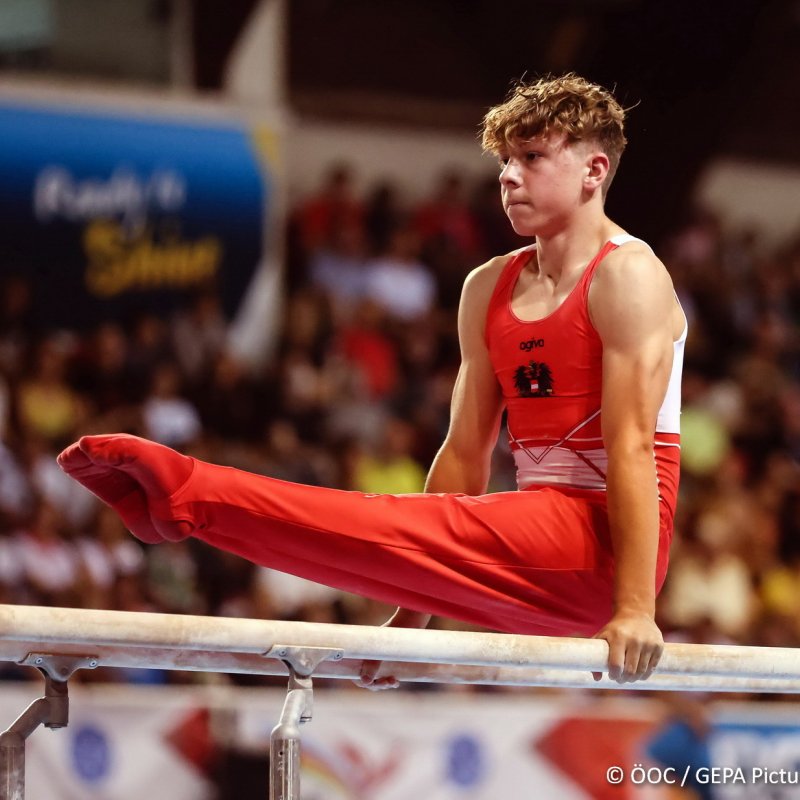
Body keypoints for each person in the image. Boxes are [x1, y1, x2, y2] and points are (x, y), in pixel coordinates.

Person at [57, 74, 686, 687]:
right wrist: (412, 615)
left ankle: (189, 494)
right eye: (503, 160)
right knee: (391, 522)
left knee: (370, 519)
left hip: (609, 552)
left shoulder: (627, 277)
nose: (507, 175)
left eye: (531, 157)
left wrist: (633, 608)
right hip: (529, 554)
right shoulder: (486, 287)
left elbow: (629, 445)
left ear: (594, 172)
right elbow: (465, 453)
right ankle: (185, 509)